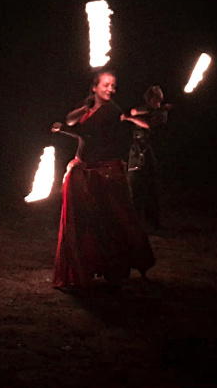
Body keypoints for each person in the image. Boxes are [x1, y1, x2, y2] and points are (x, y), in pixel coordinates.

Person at [50, 71, 156, 290]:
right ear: (94, 87)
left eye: (113, 86)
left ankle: (115, 267)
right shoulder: (89, 107)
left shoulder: (112, 110)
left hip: (104, 173)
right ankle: (90, 267)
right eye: (106, 85)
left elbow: (85, 132)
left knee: (112, 220)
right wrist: (82, 111)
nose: (111, 89)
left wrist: (64, 129)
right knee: (84, 222)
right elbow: (71, 119)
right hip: (85, 170)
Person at [127, 85, 173, 230]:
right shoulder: (147, 110)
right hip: (136, 151)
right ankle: (136, 223)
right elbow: (135, 111)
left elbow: (147, 124)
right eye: (152, 97)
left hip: (150, 151)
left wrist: (130, 118)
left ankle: (153, 223)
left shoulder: (162, 113)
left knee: (151, 188)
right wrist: (134, 114)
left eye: (156, 98)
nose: (154, 100)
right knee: (135, 186)